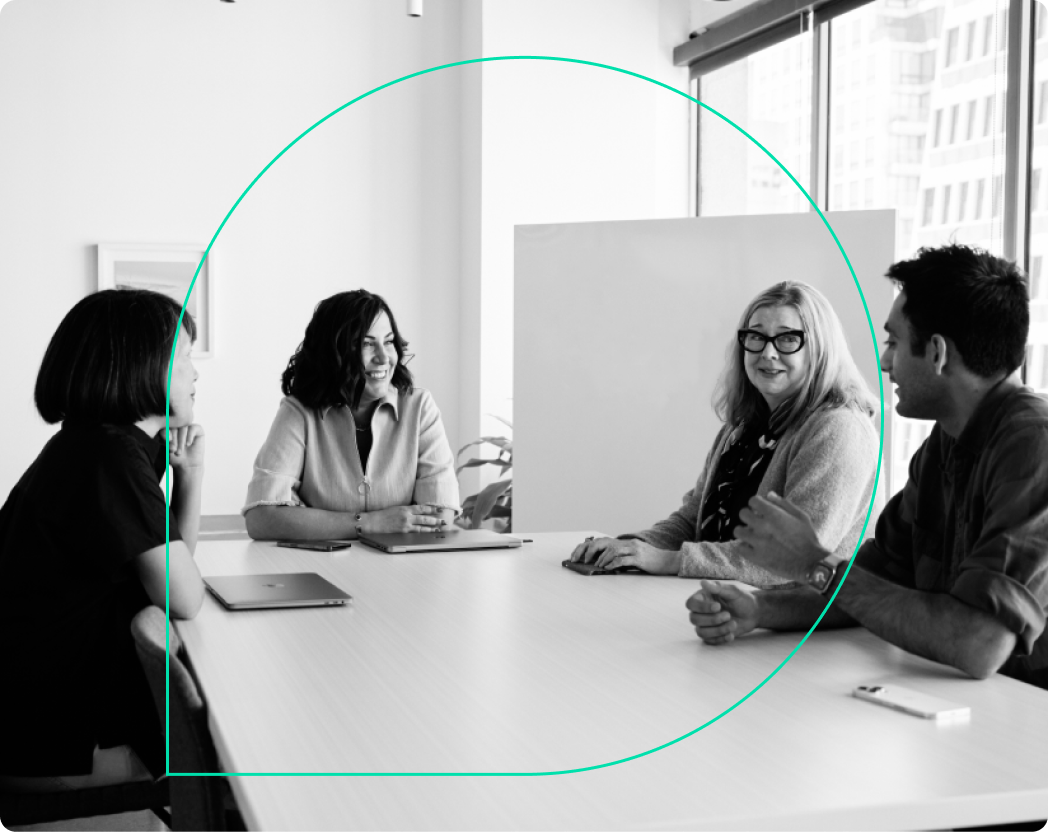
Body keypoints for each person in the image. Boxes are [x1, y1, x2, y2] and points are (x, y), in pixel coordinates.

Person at [687, 244, 1048, 695]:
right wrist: (760, 610)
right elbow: (875, 578)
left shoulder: (1034, 444)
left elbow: (979, 644)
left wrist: (813, 562)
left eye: (894, 342)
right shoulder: (946, 440)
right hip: (973, 702)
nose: (883, 361)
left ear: (937, 353)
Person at [0, 289, 205, 787]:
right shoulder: (108, 458)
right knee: (235, 763)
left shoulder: (100, 445)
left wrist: (190, 473)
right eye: (184, 359)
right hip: (46, 745)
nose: (196, 375)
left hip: (36, 719)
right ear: (141, 366)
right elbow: (186, 596)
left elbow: (173, 573)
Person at [569, 281, 879, 585]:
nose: (768, 352)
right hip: (732, 603)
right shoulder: (745, 426)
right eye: (756, 337)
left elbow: (794, 559)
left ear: (820, 349)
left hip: (806, 627)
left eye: (787, 339)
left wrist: (668, 561)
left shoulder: (839, 428)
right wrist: (631, 547)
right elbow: (693, 520)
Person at [244, 289, 460, 540]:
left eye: (388, 342)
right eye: (366, 344)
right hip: (321, 569)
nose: (383, 358)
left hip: (404, 570)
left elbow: (439, 517)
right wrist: (368, 523)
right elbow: (262, 519)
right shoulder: (299, 412)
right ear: (332, 352)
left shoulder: (420, 407)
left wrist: (315, 522)